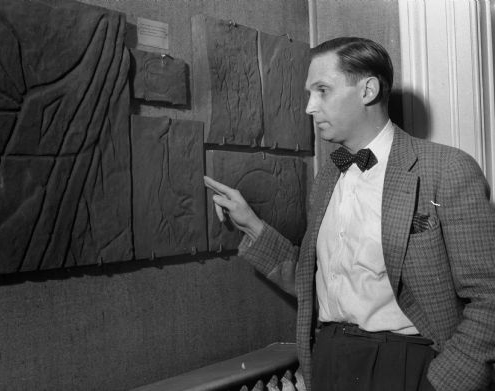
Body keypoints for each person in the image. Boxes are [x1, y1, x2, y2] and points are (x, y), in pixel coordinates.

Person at [204, 37, 495, 391]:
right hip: (329, 360)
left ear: (368, 90)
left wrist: (447, 382)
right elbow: (315, 284)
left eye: (322, 90)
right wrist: (250, 223)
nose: (310, 107)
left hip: (410, 364)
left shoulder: (447, 169)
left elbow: (489, 296)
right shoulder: (327, 177)